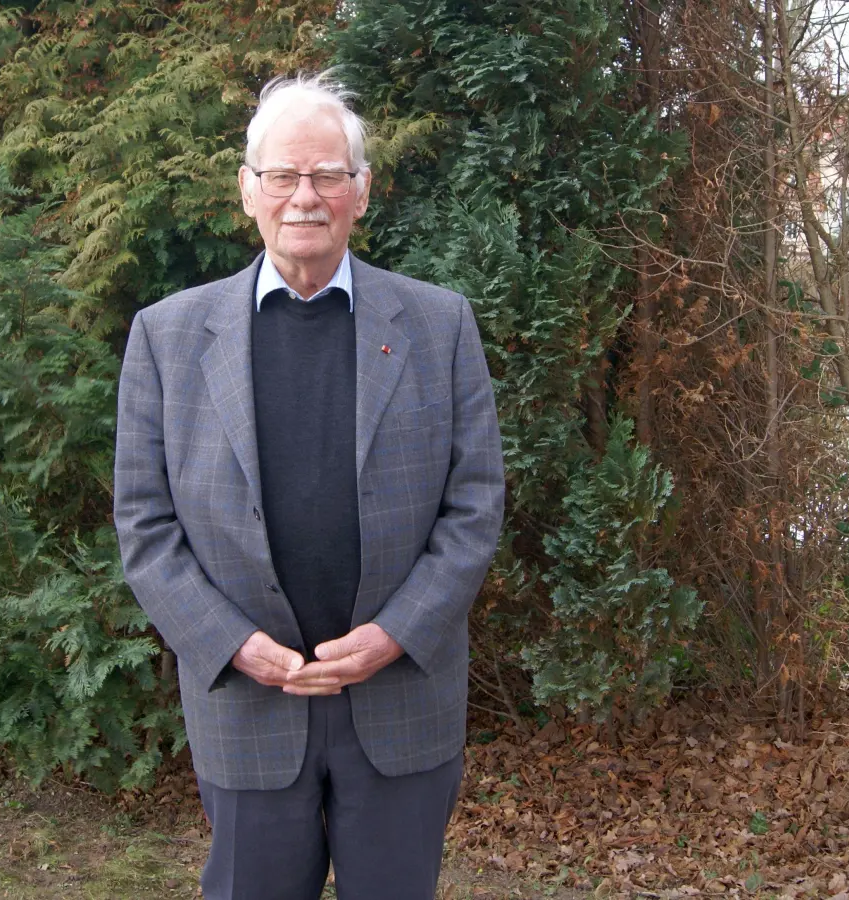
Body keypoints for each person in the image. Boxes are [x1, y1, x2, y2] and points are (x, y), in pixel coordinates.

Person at [113, 71, 504, 900]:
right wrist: (229, 644)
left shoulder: (440, 326)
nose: (305, 196)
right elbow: (146, 529)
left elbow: (474, 509)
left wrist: (396, 634)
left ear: (361, 191)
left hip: (399, 703)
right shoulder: (166, 338)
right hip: (247, 706)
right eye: (284, 176)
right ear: (247, 191)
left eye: (327, 174)